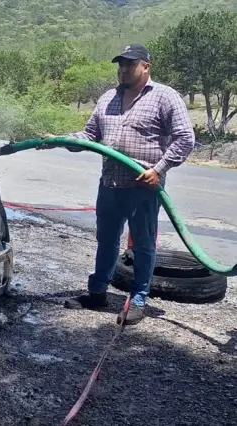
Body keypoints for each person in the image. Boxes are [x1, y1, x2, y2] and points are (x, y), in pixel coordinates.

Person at [43, 43, 195, 325]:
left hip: (143, 186)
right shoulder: (108, 98)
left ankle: (138, 298)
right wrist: (59, 140)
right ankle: (98, 292)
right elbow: (89, 136)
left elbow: (185, 138)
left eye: (129, 64)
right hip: (110, 183)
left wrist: (160, 170)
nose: (123, 69)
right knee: (107, 240)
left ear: (146, 66)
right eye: (120, 64)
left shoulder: (165, 97)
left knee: (144, 244)